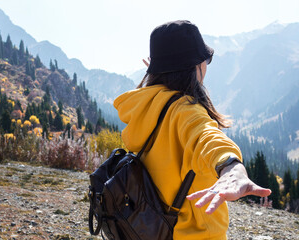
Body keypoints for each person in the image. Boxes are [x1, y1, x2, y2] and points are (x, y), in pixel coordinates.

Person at [113, 20, 271, 239]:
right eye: (205, 59)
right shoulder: (187, 111)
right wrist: (231, 167)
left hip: (151, 228)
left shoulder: (146, 105)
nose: (206, 65)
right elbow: (207, 136)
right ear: (193, 65)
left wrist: (160, 66)